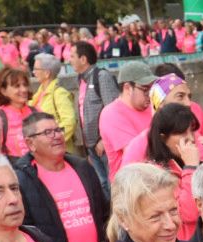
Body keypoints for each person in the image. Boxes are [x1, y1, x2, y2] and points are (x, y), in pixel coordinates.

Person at [14, 111, 112, 242]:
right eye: (47, 132)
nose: (57, 136)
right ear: (30, 143)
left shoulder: (83, 167)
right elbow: (26, 230)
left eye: (58, 130)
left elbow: (104, 213)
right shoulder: (23, 181)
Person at [143, 103, 203, 241]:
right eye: (183, 133)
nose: (191, 138)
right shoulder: (154, 174)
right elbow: (189, 213)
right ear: (163, 138)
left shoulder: (192, 162)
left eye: (192, 131)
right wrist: (191, 167)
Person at [73, 41, 120, 184]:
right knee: (102, 183)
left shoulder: (101, 76)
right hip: (91, 146)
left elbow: (113, 110)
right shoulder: (81, 80)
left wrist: (104, 140)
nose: (69, 60)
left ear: (83, 59)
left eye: (72, 56)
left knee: (113, 182)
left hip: (103, 144)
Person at [100, 60, 155, 178]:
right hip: (130, 183)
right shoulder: (112, 113)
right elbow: (136, 154)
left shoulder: (152, 107)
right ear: (128, 88)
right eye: (145, 89)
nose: (150, 94)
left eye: (152, 89)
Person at [29, 54, 78, 153]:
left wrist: (52, 140)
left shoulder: (59, 93)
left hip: (59, 151)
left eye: (36, 69)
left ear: (47, 73)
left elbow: (69, 122)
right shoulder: (39, 93)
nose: (33, 72)